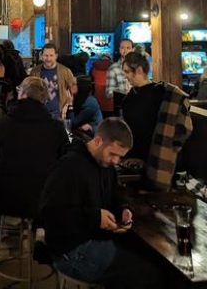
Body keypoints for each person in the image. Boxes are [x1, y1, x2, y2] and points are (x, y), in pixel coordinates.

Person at [38, 118, 165, 288]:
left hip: (93, 237)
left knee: (152, 257)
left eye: (120, 157)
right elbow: (50, 216)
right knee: (146, 274)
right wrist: (96, 218)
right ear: (98, 141)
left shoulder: (106, 166)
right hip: (70, 250)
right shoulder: (69, 166)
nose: (115, 161)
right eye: (112, 154)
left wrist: (123, 210)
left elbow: (115, 197)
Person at [0, 77, 69, 220]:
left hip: (5, 196)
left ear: (23, 94)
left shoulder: (5, 123)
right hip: (43, 198)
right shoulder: (56, 128)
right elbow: (64, 163)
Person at [118, 51, 193, 190]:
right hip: (138, 162)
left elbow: (183, 129)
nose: (125, 76)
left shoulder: (163, 95)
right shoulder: (134, 97)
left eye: (127, 72)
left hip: (157, 161)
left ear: (139, 70)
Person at [28, 44, 77, 120]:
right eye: (46, 55)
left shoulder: (65, 71)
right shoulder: (35, 72)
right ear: (41, 56)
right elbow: (30, 92)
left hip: (59, 114)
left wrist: (68, 106)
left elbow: (74, 90)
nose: (48, 58)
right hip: (39, 114)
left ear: (56, 56)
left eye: (51, 55)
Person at [105, 38, 134, 115]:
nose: (125, 50)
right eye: (122, 48)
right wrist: (123, 94)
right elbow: (109, 93)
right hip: (122, 109)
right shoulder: (113, 68)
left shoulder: (138, 67)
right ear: (119, 49)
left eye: (128, 48)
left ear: (132, 49)